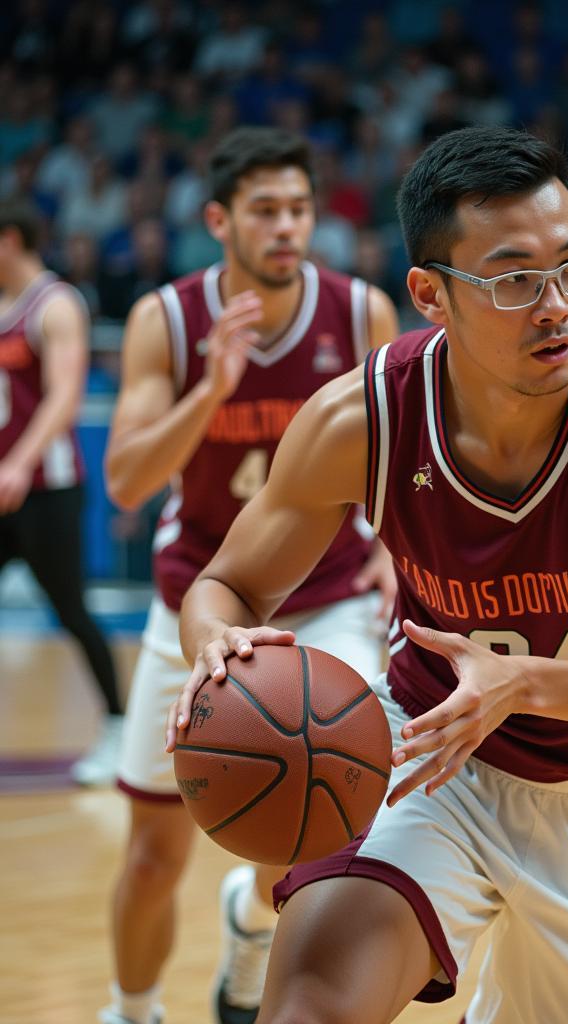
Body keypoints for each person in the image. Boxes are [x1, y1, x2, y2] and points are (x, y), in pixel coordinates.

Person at [167, 125, 568, 1024]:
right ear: (430, 295)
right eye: (515, 279)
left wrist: (524, 684)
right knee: (307, 1010)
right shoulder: (360, 417)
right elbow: (225, 587)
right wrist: (216, 645)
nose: (557, 305)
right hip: (424, 756)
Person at [101, 127, 398, 1024]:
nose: (286, 229)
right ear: (220, 222)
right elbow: (125, 478)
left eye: (300, 210)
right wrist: (211, 388)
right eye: (265, 211)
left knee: (314, 824)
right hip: (195, 597)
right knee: (155, 851)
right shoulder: (171, 319)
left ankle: (248, 930)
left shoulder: (358, 313)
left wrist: (388, 545)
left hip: (329, 595)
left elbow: (395, 448)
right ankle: (132, 1009)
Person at [0, 197, 124, 786]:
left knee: (71, 610)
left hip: (46, 487)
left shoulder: (54, 304)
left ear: (9, 240)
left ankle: (119, 726)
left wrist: (20, 463)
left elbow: (63, 396)